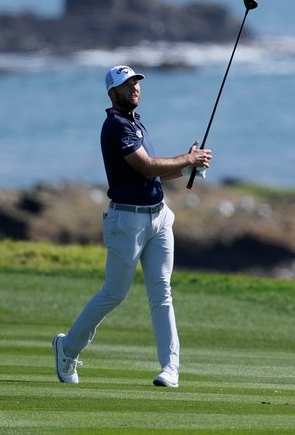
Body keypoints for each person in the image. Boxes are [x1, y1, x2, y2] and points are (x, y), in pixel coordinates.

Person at [53, 64, 212, 388]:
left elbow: (152, 173)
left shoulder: (136, 124)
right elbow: (147, 166)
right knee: (114, 293)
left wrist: (185, 169)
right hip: (127, 221)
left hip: (159, 216)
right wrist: (187, 160)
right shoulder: (116, 127)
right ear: (113, 93)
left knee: (162, 292)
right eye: (127, 85)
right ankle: (67, 348)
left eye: (136, 83)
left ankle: (170, 368)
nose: (135, 88)